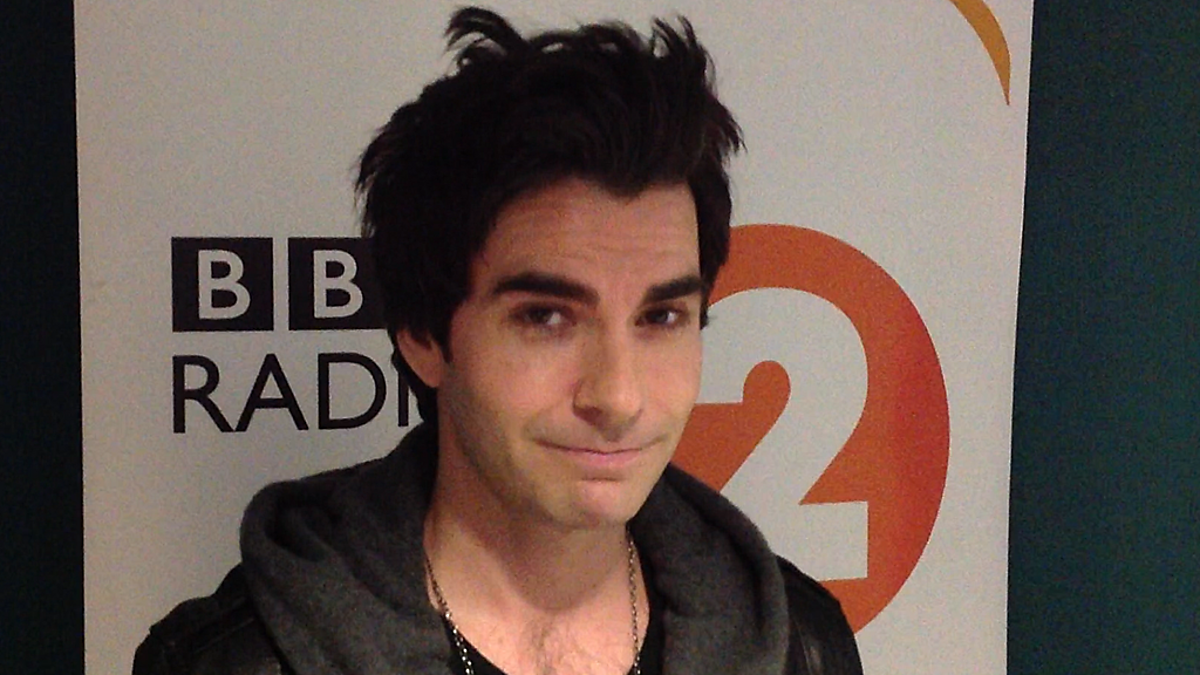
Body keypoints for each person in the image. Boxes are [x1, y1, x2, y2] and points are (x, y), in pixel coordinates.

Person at [134, 7, 863, 675]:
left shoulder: (800, 645)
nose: (618, 397)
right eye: (547, 318)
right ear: (423, 334)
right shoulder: (230, 663)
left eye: (660, 318)